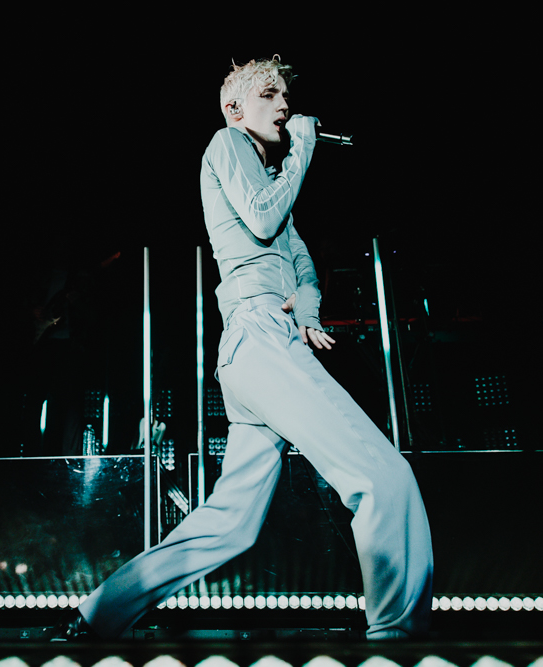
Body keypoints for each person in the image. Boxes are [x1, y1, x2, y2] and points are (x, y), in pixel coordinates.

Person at [53, 56, 433, 641]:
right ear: (235, 108)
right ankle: (398, 639)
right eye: (271, 94)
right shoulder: (226, 143)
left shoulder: (269, 182)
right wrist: (303, 149)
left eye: (287, 95)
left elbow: (304, 271)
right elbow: (259, 222)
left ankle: (97, 616)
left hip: (261, 347)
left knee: (230, 523)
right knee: (385, 480)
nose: (285, 105)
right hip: (257, 337)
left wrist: (306, 313)